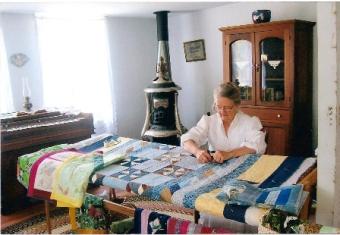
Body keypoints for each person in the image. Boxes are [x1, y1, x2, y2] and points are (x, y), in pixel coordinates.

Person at [181, 82, 266, 164]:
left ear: (237, 105)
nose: (222, 111)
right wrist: (197, 152)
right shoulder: (209, 121)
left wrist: (230, 154)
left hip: (243, 169)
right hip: (217, 170)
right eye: (218, 107)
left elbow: (259, 145)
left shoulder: (249, 122)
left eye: (228, 108)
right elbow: (186, 139)